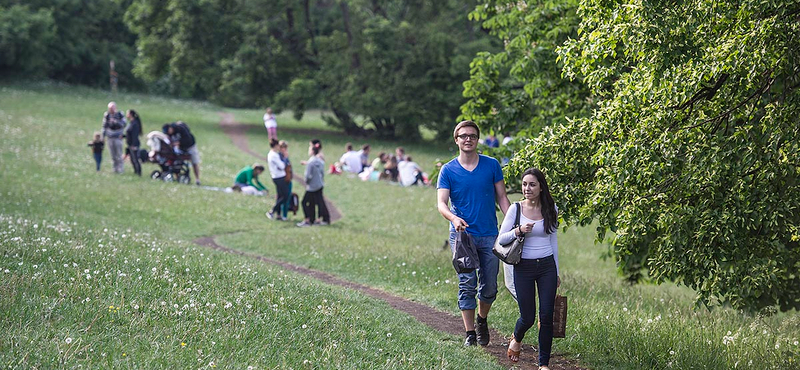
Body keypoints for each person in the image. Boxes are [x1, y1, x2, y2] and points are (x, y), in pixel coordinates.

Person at [437, 120, 511, 347]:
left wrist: (512, 224)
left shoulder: (492, 165)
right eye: (463, 136)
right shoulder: (448, 170)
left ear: (477, 140)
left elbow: (502, 198)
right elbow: (441, 203)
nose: (468, 139)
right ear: (456, 139)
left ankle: (482, 319)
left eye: (472, 135)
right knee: (466, 283)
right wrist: (454, 218)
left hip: (490, 234)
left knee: (489, 287)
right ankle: (470, 333)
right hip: (462, 237)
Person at [498, 168, 560, 368]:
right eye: (524, 184)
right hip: (523, 267)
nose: (527, 188)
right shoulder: (516, 209)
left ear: (541, 187)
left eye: (532, 184)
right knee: (528, 317)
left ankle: (543, 364)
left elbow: (554, 242)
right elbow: (501, 239)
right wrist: (518, 230)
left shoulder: (551, 209)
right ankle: (517, 337)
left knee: (547, 316)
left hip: (547, 267)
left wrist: (557, 272)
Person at [297, 139, 330, 227]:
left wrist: (307, 182)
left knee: (304, 202)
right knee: (315, 202)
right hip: (319, 184)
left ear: (312, 151)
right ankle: (315, 219)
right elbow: (322, 172)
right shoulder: (320, 161)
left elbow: (308, 176)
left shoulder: (310, 163)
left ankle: (307, 220)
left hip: (312, 186)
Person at [267, 139, 289, 220]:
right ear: (276, 146)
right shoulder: (274, 155)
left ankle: (278, 215)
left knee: (280, 195)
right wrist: (285, 158)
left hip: (275, 177)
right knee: (285, 196)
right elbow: (282, 166)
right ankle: (272, 211)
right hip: (279, 177)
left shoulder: (270, 154)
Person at [102, 101, 126, 173]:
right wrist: (103, 136)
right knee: (113, 155)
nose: (111, 110)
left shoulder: (120, 115)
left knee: (119, 154)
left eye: (112, 108)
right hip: (110, 138)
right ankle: (115, 169)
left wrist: (116, 122)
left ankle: (120, 169)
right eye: (110, 108)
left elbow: (124, 124)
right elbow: (104, 126)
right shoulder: (107, 115)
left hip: (118, 137)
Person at [279, 140, 294, 219]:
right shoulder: (279, 157)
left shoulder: (285, 156)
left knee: (287, 197)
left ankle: (285, 214)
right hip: (282, 179)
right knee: (283, 197)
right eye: (282, 148)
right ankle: (281, 214)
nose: (284, 150)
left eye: (285, 148)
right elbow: (282, 166)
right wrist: (285, 158)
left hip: (288, 178)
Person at [125, 109, 143, 176]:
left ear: (130, 115)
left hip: (134, 144)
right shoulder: (131, 123)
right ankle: (135, 172)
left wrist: (134, 145)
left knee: (136, 160)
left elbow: (135, 135)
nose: (126, 115)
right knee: (132, 160)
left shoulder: (135, 124)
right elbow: (129, 133)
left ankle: (139, 173)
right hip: (130, 144)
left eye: (127, 113)